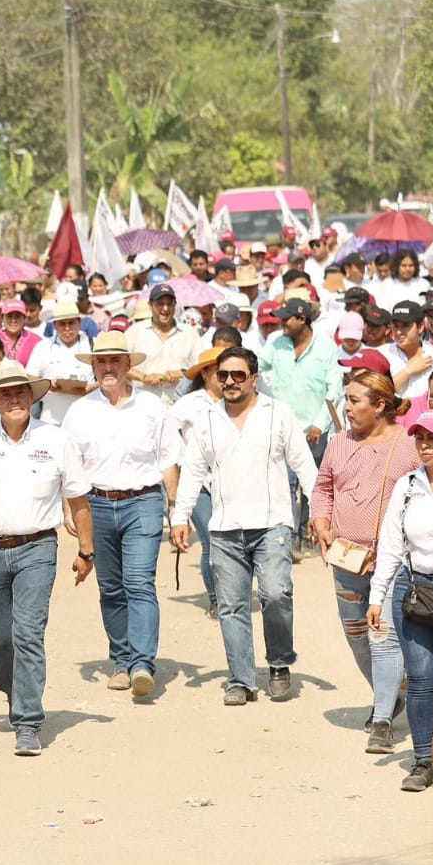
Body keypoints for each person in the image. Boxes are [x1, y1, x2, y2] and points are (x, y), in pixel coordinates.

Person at [0, 360, 94, 757]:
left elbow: (77, 499)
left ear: (32, 396)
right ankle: (15, 691)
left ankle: (28, 721)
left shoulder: (57, 440)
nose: (14, 399)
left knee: (27, 634)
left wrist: (86, 551)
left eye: (20, 392)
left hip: (38, 549)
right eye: (5, 394)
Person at [172, 348, 317, 706]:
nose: (230, 382)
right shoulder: (206, 419)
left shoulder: (277, 413)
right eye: (223, 375)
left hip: (272, 524)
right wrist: (180, 517)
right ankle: (240, 680)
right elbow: (191, 471)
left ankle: (280, 663)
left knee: (276, 593)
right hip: (224, 527)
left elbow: (304, 465)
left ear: (254, 378)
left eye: (238, 375)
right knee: (232, 606)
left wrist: (320, 511)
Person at [63, 331, 182, 699]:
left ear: (129, 365)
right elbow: (69, 466)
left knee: (139, 582)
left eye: (116, 360)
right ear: (94, 367)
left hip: (143, 502)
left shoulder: (152, 408)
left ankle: (143, 664)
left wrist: (177, 509)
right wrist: (70, 510)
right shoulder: (79, 411)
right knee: (111, 587)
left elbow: (168, 460)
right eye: (102, 361)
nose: (108, 367)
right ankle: (121, 660)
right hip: (96, 504)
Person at [310, 368, 421, 750]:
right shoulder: (339, 442)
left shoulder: (409, 445)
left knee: (382, 637)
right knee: (357, 637)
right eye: (347, 399)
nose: (348, 407)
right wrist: (321, 521)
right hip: (345, 561)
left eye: (355, 401)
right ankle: (389, 695)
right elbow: (323, 487)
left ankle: (382, 719)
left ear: (380, 405)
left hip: (390, 563)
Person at [364, 409, 433, 791]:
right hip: (416, 593)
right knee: (422, 679)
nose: (425, 444)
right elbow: (391, 545)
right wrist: (377, 596)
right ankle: (424, 760)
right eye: (419, 437)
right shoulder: (405, 486)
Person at [258, 298, 342, 559]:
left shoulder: (327, 348)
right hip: (281, 426)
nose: (281, 322)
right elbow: (256, 366)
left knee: (313, 486)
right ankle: (290, 538)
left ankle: (310, 534)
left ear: (302, 319)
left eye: (287, 318)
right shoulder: (276, 343)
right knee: (284, 483)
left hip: (314, 429)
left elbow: (334, 389)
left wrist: (320, 422)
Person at [167, 348, 227, 618]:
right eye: (219, 371)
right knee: (211, 540)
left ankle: (232, 595)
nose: (226, 377)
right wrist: (181, 461)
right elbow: (166, 435)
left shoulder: (240, 400)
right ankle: (216, 599)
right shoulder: (188, 404)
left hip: (233, 482)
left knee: (234, 542)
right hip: (199, 482)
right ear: (204, 373)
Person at [125, 282, 200, 405]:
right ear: (150, 305)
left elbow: (201, 367)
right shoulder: (135, 331)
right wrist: (143, 377)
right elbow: (119, 365)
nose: (165, 308)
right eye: (160, 304)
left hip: (179, 405)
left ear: (175, 305)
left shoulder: (189, 333)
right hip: (143, 404)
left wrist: (182, 373)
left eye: (169, 304)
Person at [26, 299, 94, 426]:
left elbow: (105, 377)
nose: (67, 328)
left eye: (71, 323)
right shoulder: (43, 346)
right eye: (62, 324)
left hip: (86, 420)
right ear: (55, 325)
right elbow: (30, 376)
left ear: (79, 323)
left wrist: (91, 388)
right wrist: (47, 384)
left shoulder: (93, 343)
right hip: (51, 420)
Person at [384, 301, 433, 400]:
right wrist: (408, 371)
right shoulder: (382, 354)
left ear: (420, 327)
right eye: (396, 326)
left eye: (405, 325)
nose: (399, 332)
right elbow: (375, 394)